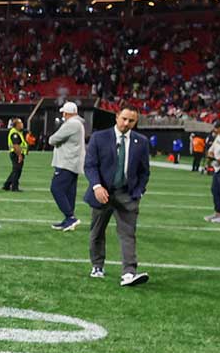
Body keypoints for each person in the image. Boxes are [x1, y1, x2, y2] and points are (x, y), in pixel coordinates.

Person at [83, 106, 150, 286]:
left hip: (127, 194)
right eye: (124, 119)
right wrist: (97, 186)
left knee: (128, 234)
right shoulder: (99, 137)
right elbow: (90, 165)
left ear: (136, 122)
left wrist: (139, 191)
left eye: (131, 121)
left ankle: (129, 272)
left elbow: (144, 171)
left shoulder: (141, 141)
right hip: (102, 193)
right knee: (97, 232)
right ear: (117, 117)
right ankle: (97, 266)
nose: (126, 123)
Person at [48, 102, 85, 231]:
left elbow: (52, 139)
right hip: (72, 162)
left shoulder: (72, 124)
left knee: (56, 188)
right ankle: (69, 219)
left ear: (67, 113)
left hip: (66, 162)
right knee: (69, 192)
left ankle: (70, 217)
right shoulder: (77, 123)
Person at [1, 118, 27, 192]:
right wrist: (19, 155)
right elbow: (16, 145)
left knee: (15, 170)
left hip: (16, 153)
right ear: (16, 125)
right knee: (17, 170)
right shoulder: (15, 133)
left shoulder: (18, 132)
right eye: (20, 123)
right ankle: (14, 187)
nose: (22, 125)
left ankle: (6, 185)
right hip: (16, 154)